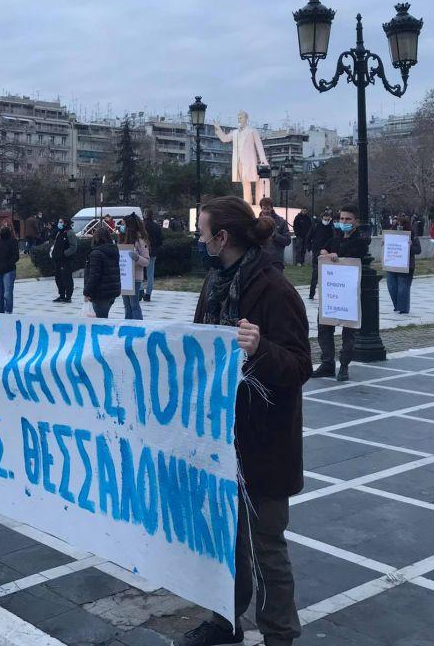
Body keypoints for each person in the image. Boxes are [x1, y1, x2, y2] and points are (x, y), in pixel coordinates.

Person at [177, 195, 310, 646]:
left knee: (266, 546)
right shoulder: (214, 282)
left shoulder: (273, 288)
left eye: (203, 234)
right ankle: (225, 620)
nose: (200, 241)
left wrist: (260, 348)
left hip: (264, 441)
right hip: (220, 434)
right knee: (223, 540)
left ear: (223, 237)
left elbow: (298, 367)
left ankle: (279, 634)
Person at [313, 205, 368, 382]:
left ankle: (344, 365)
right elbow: (323, 249)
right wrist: (325, 252)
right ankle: (327, 363)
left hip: (349, 295)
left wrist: (337, 256)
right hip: (331, 293)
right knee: (324, 326)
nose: (344, 222)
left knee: (348, 331)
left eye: (348, 219)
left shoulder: (360, 241)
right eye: (342, 219)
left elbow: (354, 256)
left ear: (356, 222)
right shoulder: (335, 238)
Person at [82, 225, 121, 318]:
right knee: (103, 317)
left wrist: (87, 292)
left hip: (101, 293)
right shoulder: (114, 250)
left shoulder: (96, 254)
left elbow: (94, 276)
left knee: (100, 322)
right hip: (112, 291)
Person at [386, 215, 420, 315]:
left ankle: (403, 308)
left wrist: (411, 246)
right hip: (392, 264)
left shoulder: (412, 235)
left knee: (403, 287)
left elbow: (418, 250)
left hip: (406, 265)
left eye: (402, 225)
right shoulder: (391, 235)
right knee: (392, 286)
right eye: (398, 224)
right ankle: (397, 305)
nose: (399, 226)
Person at [119, 214, 150, 320]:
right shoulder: (123, 238)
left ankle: (138, 327)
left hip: (135, 277)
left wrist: (136, 258)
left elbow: (146, 261)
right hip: (124, 277)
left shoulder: (140, 241)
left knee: (134, 304)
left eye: (123, 224)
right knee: (126, 305)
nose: (121, 227)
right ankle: (127, 326)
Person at [0, 225, 20, 314]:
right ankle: (0, 311)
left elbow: (15, 256)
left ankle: (8, 311)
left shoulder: (13, 242)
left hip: (8, 270)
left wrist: (8, 264)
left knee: (7, 293)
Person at [257, 198, 292, 272]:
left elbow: (288, 241)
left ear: (272, 208)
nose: (266, 211)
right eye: (264, 208)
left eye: (268, 209)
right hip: (260, 261)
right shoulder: (256, 222)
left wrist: (274, 235)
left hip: (276, 261)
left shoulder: (281, 222)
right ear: (261, 208)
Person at [306, 210, 334, 301]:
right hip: (317, 252)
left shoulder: (331, 227)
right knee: (315, 274)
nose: (326, 221)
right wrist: (310, 249)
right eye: (325, 219)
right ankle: (311, 294)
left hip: (328, 253)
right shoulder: (316, 226)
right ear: (322, 219)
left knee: (328, 275)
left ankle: (327, 294)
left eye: (328, 219)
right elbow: (308, 238)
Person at [50, 218, 78, 303]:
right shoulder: (59, 232)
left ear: (65, 223)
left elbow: (73, 247)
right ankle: (61, 295)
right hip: (57, 259)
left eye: (61, 222)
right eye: (59, 222)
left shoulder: (70, 233)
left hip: (66, 260)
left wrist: (65, 254)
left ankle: (68, 296)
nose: (59, 223)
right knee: (58, 278)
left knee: (66, 278)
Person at [143, 208, 163, 301]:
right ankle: (148, 294)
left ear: (145, 215)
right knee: (150, 274)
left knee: (140, 273)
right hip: (153, 252)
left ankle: (139, 291)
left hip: (142, 251)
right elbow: (160, 240)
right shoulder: (156, 226)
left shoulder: (143, 226)